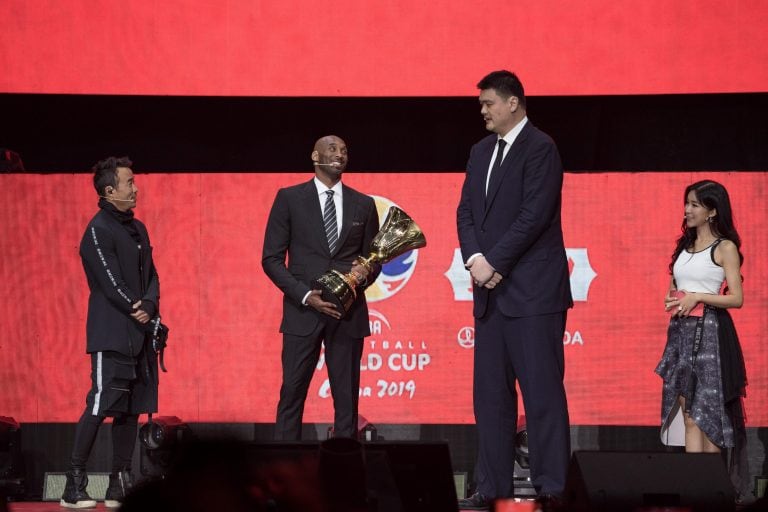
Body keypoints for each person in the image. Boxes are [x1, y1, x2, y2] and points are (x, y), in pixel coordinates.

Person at [456, 70, 573, 509]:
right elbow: (465, 211)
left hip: (534, 294)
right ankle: (491, 487)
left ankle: (552, 488)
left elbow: (535, 214)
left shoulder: (541, 147)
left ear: (513, 103)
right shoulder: (480, 151)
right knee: (490, 398)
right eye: (481, 104)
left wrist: (495, 262)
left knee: (542, 394)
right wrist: (475, 260)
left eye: (488, 103)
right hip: (489, 294)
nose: (483, 111)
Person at [61, 157, 166, 509]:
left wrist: (149, 306)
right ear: (110, 190)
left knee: (130, 409)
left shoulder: (138, 229)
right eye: (129, 182)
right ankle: (74, 485)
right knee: (100, 402)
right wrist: (134, 306)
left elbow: (152, 274)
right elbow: (109, 281)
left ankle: (117, 484)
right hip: (113, 331)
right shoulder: (98, 229)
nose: (135, 188)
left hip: (140, 330)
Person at [262, 135, 380, 440]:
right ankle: (285, 471)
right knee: (291, 394)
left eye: (344, 150)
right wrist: (304, 295)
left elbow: (375, 259)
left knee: (346, 401)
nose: (339, 154)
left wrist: (363, 273)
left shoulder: (364, 204)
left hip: (348, 313)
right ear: (315, 156)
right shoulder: (288, 198)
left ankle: (344, 471)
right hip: (303, 311)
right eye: (332, 149)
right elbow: (271, 259)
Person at [656, 180, 749, 498]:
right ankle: (695, 491)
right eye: (687, 203)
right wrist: (674, 298)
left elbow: (736, 298)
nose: (687, 209)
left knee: (707, 416)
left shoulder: (724, 248)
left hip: (711, 337)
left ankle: (712, 493)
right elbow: (672, 289)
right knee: (689, 416)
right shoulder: (683, 247)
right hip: (681, 335)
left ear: (712, 211)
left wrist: (698, 296)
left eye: (695, 204)